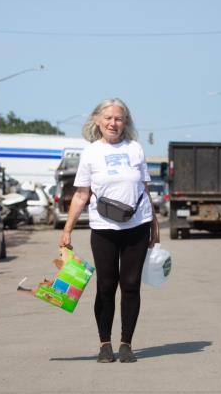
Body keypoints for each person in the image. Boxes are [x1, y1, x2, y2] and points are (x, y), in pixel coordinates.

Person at [59, 98, 159, 363]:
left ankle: (126, 343)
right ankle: (105, 344)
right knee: (105, 286)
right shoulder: (90, 153)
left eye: (119, 118)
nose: (113, 123)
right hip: (103, 228)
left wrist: (155, 227)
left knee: (130, 285)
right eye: (109, 118)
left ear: (125, 122)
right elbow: (81, 194)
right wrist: (67, 229)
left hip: (137, 226)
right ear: (97, 120)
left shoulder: (136, 149)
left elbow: (145, 191)